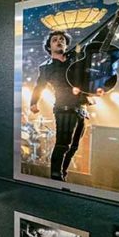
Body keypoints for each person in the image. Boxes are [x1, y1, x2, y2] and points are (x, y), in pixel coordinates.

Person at [29, 30, 91, 182]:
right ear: (49, 46)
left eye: (62, 39)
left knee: (74, 146)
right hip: (63, 107)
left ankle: (63, 173)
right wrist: (33, 102)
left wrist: (115, 21)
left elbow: (93, 44)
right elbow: (39, 86)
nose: (59, 41)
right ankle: (55, 177)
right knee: (63, 144)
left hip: (81, 108)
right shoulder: (46, 67)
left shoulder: (76, 59)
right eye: (55, 40)